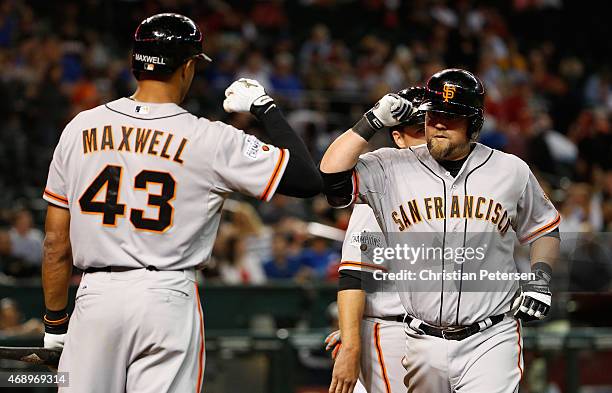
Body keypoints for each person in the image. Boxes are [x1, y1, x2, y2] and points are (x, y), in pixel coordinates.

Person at [41, 13, 321, 393]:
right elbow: (307, 179)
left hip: (95, 298)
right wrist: (264, 108)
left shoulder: (80, 128)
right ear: (188, 67)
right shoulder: (209, 138)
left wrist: (55, 325)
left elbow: (56, 244)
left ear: (135, 62)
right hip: (166, 297)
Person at [320, 68, 560, 393]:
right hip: (421, 341)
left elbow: (545, 229)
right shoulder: (391, 166)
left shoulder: (511, 170)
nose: (439, 124)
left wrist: (541, 279)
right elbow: (331, 178)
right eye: (433, 115)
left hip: (491, 335)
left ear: (475, 123)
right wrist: (372, 120)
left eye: (452, 117)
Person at [325, 87, 427, 393]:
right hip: (394, 330)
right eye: (417, 130)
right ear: (398, 137)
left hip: (436, 334)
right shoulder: (383, 185)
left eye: (433, 126)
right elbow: (355, 274)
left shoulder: (450, 188)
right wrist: (352, 343)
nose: (429, 138)